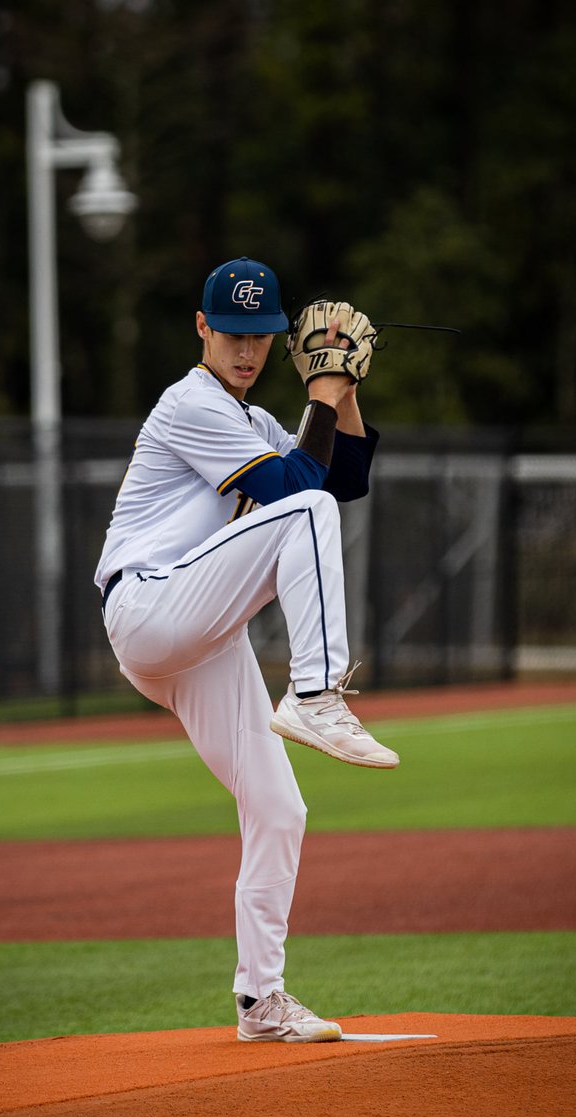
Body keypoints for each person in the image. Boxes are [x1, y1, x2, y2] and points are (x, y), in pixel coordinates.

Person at [95, 256, 398, 1043]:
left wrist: (347, 391)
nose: (247, 349)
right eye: (231, 332)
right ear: (201, 328)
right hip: (151, 604)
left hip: (201, 632)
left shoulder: (256, 422)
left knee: (278, 807)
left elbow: (346, 481)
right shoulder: (187, 405)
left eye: (262, 335)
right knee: (302, 510)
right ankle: (314, 694)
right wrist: (322, 393)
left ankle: (260, 1000)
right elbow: (299, 489)